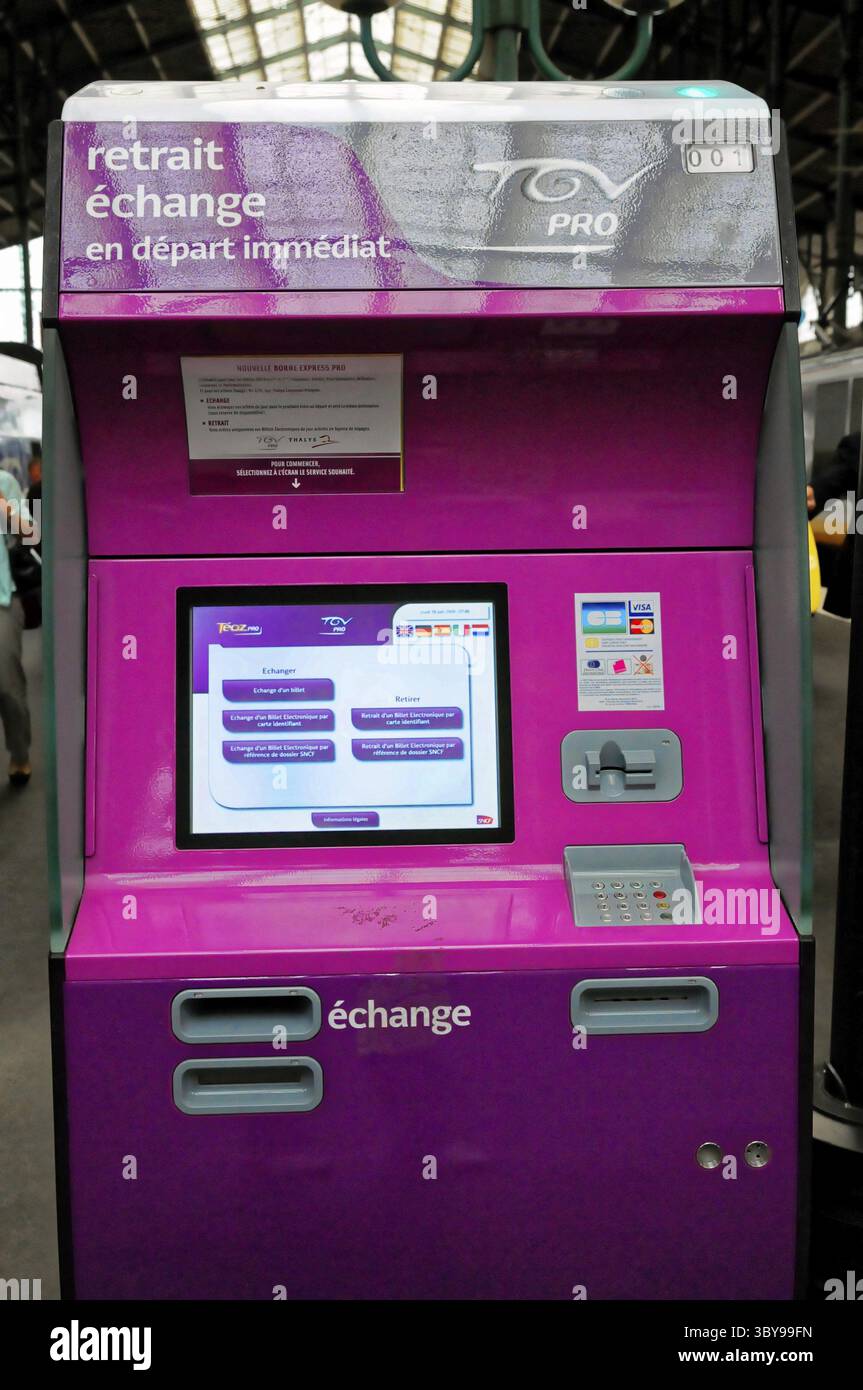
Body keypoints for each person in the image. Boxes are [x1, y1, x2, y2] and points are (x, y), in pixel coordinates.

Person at [0, 467, 32, 786]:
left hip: (2, 600)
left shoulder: (5, 481)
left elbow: (32, 533)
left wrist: (5, 507)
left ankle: (19, 752)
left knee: (8, 687)